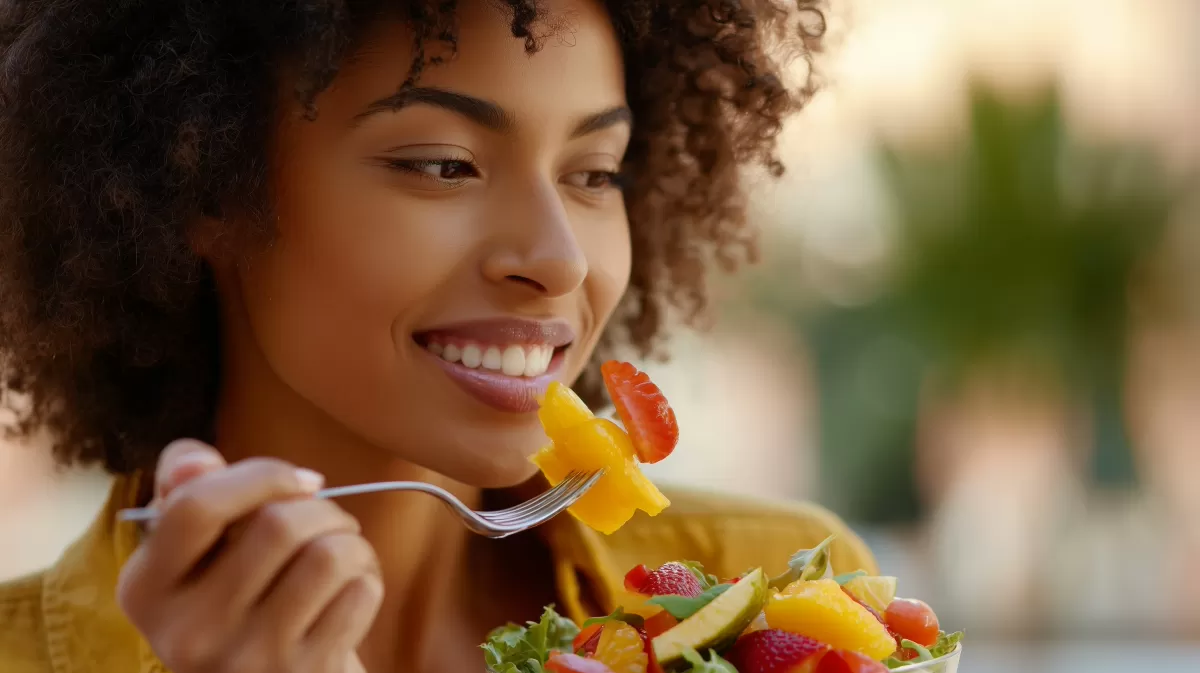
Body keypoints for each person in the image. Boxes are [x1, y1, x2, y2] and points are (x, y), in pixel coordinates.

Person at [0, 1, 876, 672]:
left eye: (594, 174)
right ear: (198, 181)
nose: (559, 260)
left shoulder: (787, 598)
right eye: (442, 165)